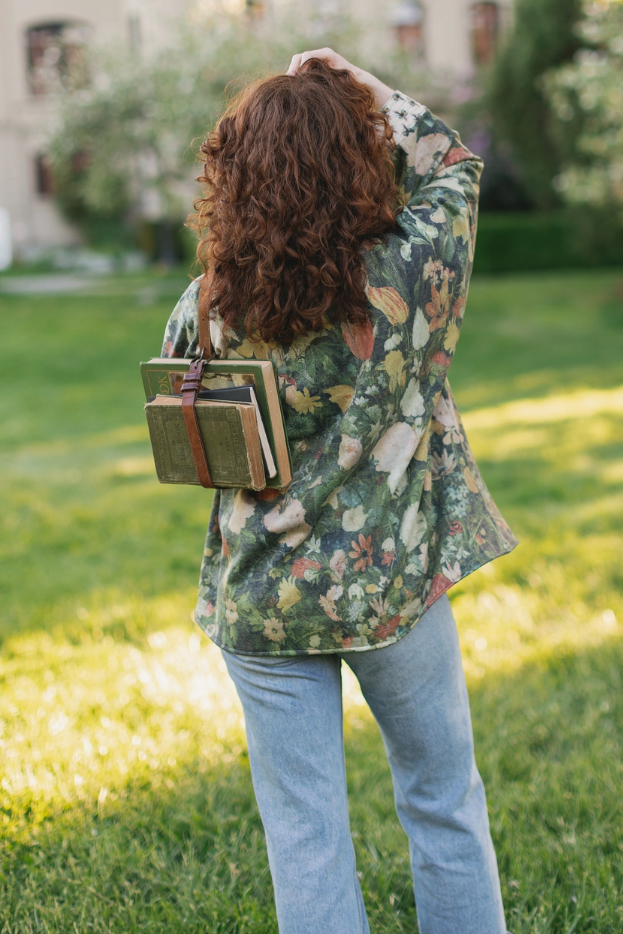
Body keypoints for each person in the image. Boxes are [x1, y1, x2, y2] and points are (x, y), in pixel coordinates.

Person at [161, 48, 517, 934]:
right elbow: (453, 166)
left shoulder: (207, 305)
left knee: (303, 832)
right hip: (391, 584)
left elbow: (181, 405)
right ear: (357, 160)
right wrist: (361, 82)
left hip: (262, 595)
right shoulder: (405, 276)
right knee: (441, 799)